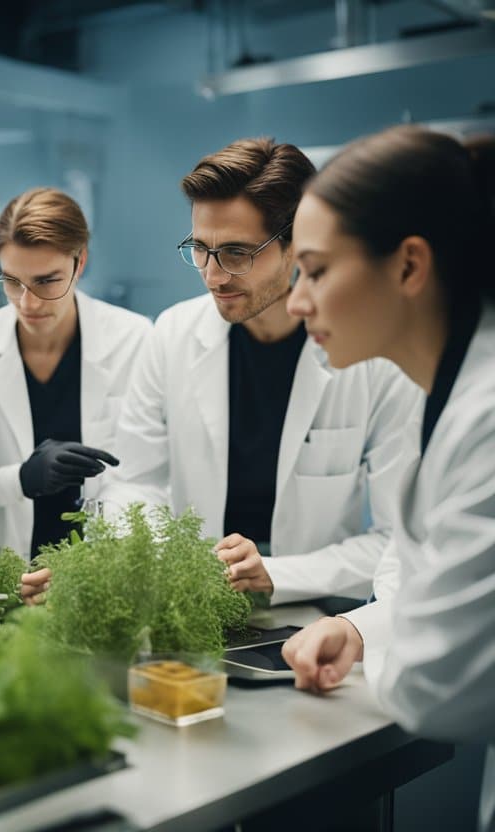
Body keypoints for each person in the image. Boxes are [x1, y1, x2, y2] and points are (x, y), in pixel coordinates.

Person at [21, 138, 419, 605]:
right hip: (190, 602)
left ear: (297, 245)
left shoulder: (374, 358)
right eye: (200, 249)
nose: (212, 276)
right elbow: (136, 481)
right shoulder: (173, 333)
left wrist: (276, 573)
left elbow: (399, 538)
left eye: (236, 253)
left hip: (317, 610)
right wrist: (159, 564)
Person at [276, 127, 495, 831]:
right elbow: (437, 583)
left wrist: (402, 651)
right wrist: (367, 629)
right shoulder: (446, 394)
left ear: (407, 266)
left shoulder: (486, 414)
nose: (296, 302)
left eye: (314, 270)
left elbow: (443, 691)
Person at [0, 188, 150, 559]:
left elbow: (149, 474)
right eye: (12, 281)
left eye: (46, 281)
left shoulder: (135, 341)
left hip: (105, 568)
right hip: (5, 571)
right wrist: (20, 479)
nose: (28, 303)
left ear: (80, 262)